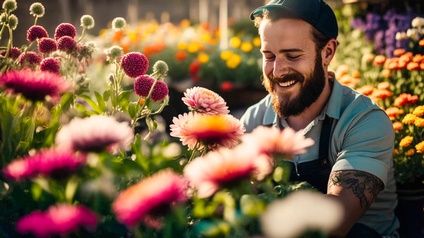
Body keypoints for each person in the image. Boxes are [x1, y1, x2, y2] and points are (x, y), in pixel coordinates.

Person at [241, 0, 399, 237]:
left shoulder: (364, 121)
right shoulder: (254, 119)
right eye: (269, 56)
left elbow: (335, 222)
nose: (277, 71)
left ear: (327, 52)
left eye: (292, 56)